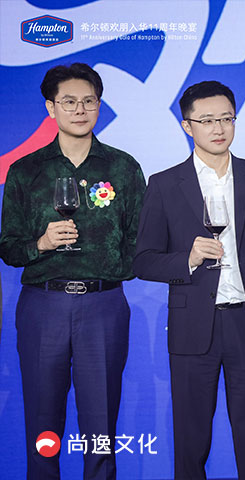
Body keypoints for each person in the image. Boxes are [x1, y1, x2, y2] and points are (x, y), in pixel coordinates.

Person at [133, 80, 245, 480]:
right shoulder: (165, 184)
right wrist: (187, 259)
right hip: (192, 326)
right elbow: (144, 261)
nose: (218, 128)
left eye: (226, 118)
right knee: (190, 443)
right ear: (187, 126)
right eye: (206, 120)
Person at [0, 63, 146, 480]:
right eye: (69, 102)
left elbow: (141, 240)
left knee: (100, 421)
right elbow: (8, 246)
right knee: (42, 420)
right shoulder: (26, 170)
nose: (80, 110)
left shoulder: (122, 168)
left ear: (99, 105)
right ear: (51, 107)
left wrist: (108, 268)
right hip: (43, 305)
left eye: (88, 101)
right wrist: (41, 244)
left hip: (103, 304)